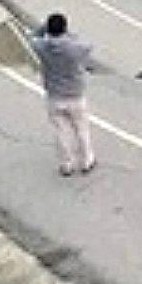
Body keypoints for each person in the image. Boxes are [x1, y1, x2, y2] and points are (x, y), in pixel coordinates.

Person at [30, 13, 98, 176]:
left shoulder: (41, 47)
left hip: (54, 96)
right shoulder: (75, 49)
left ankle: (67, 164)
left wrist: (43, 29)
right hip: (75, 94)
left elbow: (32, 36)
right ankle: (87, 160)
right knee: (81, 128)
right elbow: (88, 45)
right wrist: (69, 35)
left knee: (61, 131)